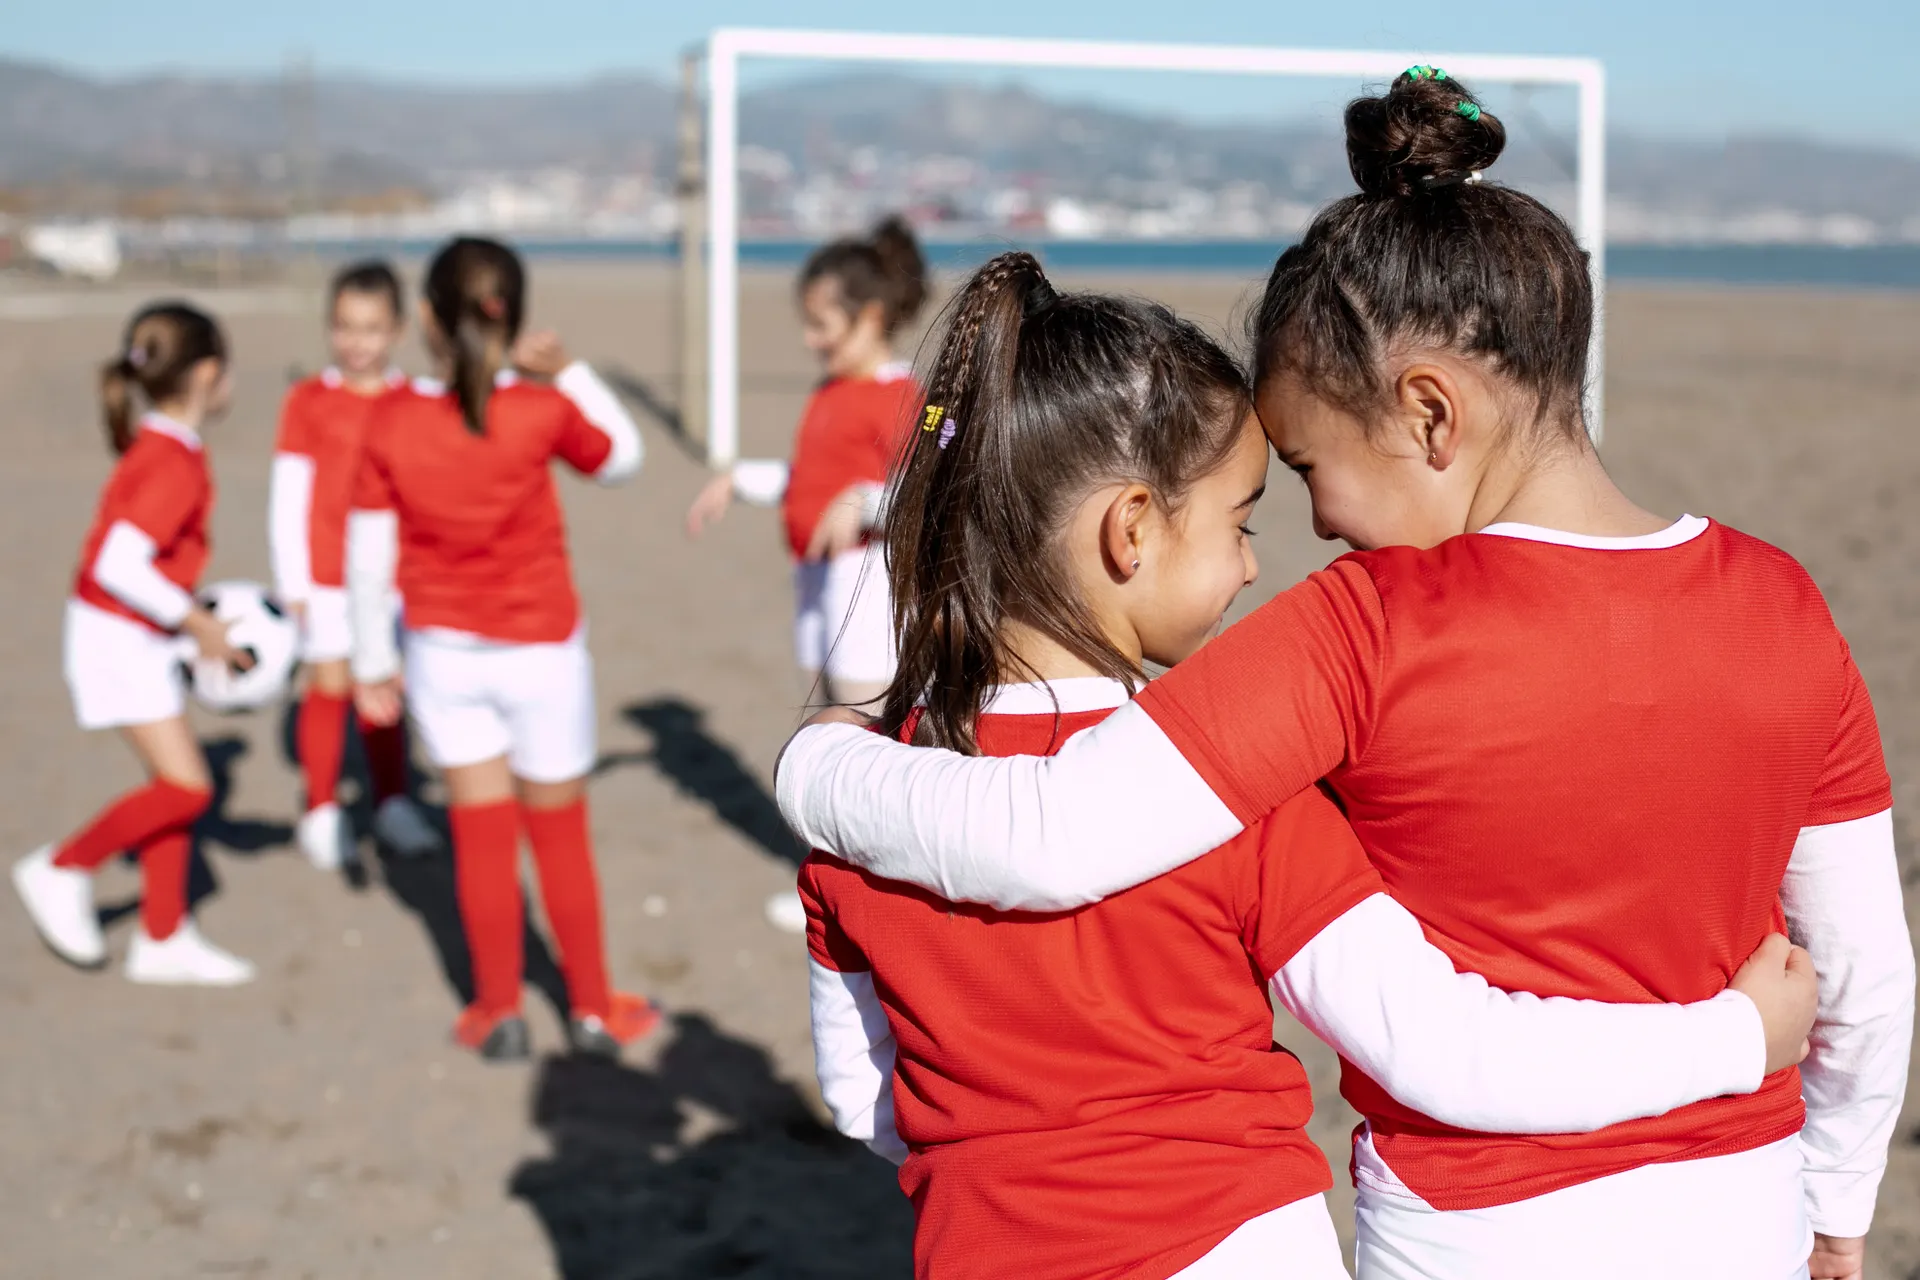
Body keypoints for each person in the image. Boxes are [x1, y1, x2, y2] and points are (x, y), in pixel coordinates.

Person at [776, 72, 1914, 1280]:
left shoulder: (1360, 627)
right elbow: (1862, 962)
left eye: (1311, 463)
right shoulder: (1787, 604)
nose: (1316, 523)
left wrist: (818, 763)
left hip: (1472, 1224)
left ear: (1430, 415)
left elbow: (1054, 833)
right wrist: (1837, 1191)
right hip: (1745, 1196)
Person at [347, 237, 656, 1061]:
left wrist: (371, 664)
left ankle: (497, 1010)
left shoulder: (390, 419)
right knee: (559, 837)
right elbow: (623, 459)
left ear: (425, 319)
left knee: (480, 838)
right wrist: (570, 372)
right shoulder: (540, 410)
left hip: (441, 660)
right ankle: (592, 1009)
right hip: (542, 657)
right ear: (514, 320)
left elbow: (367, 559)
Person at [687, 216, 928, 933]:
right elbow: (812, 479)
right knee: (840, 731)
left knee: (861, 741)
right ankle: (849, 883)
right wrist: (741, 480)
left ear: (871, 317)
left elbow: (937, 484)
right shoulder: (832, 390)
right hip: (821, 586)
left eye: (822, 324)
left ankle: (865, 891)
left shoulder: (912, 395)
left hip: (872, 587)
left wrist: (865, 502)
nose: (808, 339)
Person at [12, 302, 256, 986]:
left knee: (175, 785)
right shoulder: (171, 462)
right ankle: (62, 867)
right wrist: (196, 622)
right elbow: (118, 563)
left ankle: (164, 936)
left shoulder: (164, 447)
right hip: (114, 639)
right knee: (188, 789)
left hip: (134, 636)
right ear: (207, 375)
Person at [270, 260, 439, 870]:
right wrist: (293, 582)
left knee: (384, 685)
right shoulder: (308, 401)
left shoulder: (417, 401)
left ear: (396, 331)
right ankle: (320, 809)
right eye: (344, 326)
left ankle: (392, 802)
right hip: (324, 577)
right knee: (330, 686)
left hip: (393, 581)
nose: (356, 342)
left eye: (370, 328)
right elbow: (288, 495)